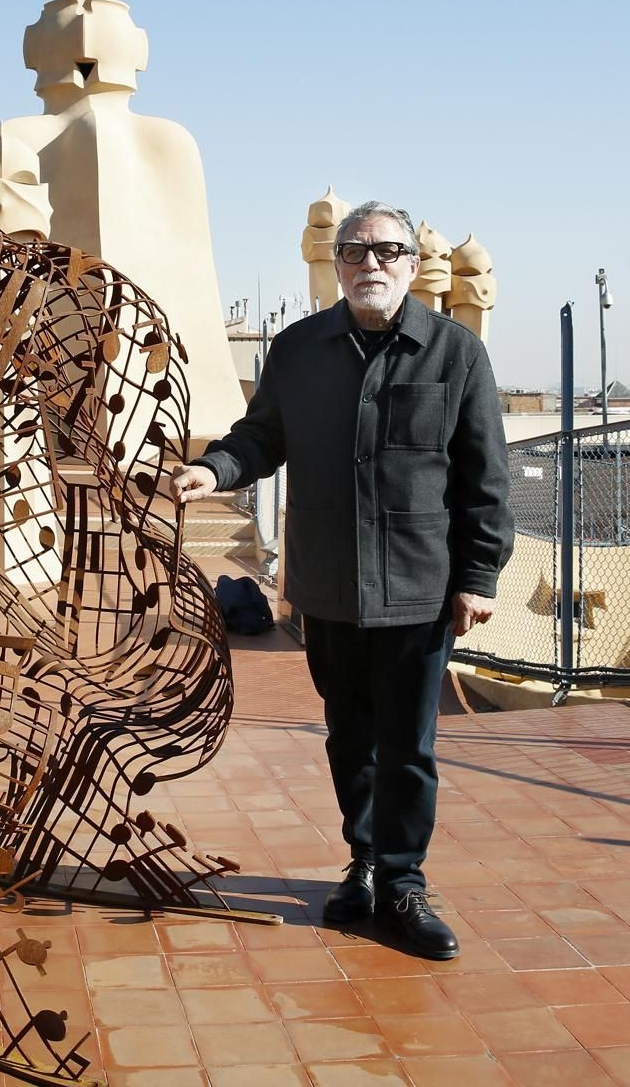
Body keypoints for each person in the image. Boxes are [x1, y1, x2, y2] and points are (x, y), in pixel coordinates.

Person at [171, 199, 512, 960]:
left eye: (387, 251)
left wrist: (479, 574)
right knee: (347, 738)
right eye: (355, 252)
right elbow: (262, 436)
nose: (370, 265)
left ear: (410, 264)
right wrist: (211, 468)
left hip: (418, 588)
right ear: (338, 263)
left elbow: (486, 475)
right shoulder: (299, 350)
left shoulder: (455, 354)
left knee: (409, 746)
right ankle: (362, 865)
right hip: (327, 586)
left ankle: (404, 883)